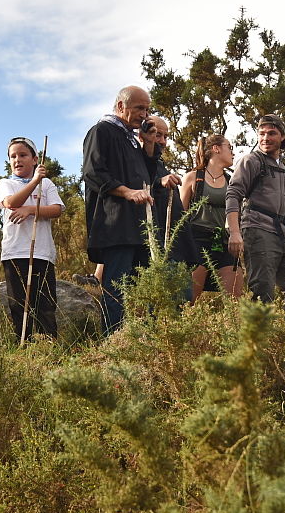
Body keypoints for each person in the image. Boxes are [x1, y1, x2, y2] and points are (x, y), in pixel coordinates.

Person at [82, 85, 179, 333]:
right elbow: (93, 173)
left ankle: (147, 343)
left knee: (148, 287)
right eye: (139, 108)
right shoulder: (101, 131)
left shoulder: (131, 139)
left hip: (138, 228)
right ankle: (113, 344)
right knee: (116, 289)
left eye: (147, 109)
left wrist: (148, 143)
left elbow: (147, 174)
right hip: (115, 225)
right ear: (121, 106)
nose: (144, 115)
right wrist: (127, 192)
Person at [225, 115, 285, 315]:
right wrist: (234, 232)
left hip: (281, 235)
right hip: (257, 230)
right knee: (262, 292)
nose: (266, 138)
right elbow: (233, 194)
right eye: (262, 133)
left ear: (282, 137)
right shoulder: (251, 161)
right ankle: (257, 341)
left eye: (272, 133)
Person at [0, 137, 64, 340]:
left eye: (23, 155)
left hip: (42, 253)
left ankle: (48, 347)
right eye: (13, 156)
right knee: (19, 304)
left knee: (45, 303)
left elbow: (56, 209)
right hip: (15, 252)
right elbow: (10, 202)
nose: (17, 159)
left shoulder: (47, 184)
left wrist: (30, 210)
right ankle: (23, 347)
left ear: (35, 159)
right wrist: (34, 181)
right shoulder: (6, 183)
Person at [180, 134, 242, 300]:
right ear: (216, 149)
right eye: (229, 147)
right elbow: (179, 217)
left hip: (224, 242)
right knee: (189, 301)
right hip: (197, 242)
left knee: (234, 301)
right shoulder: (193, 178)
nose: (232, 153)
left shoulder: (232, 181)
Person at [144, 116, 200, 295]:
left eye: (165, 136)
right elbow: (135, 187)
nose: (162, 141)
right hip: (155, 245)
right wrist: (159, 182)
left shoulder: (160, 164)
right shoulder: (137, 162)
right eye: (157, 135)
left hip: (176, 245)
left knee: (183, 301)